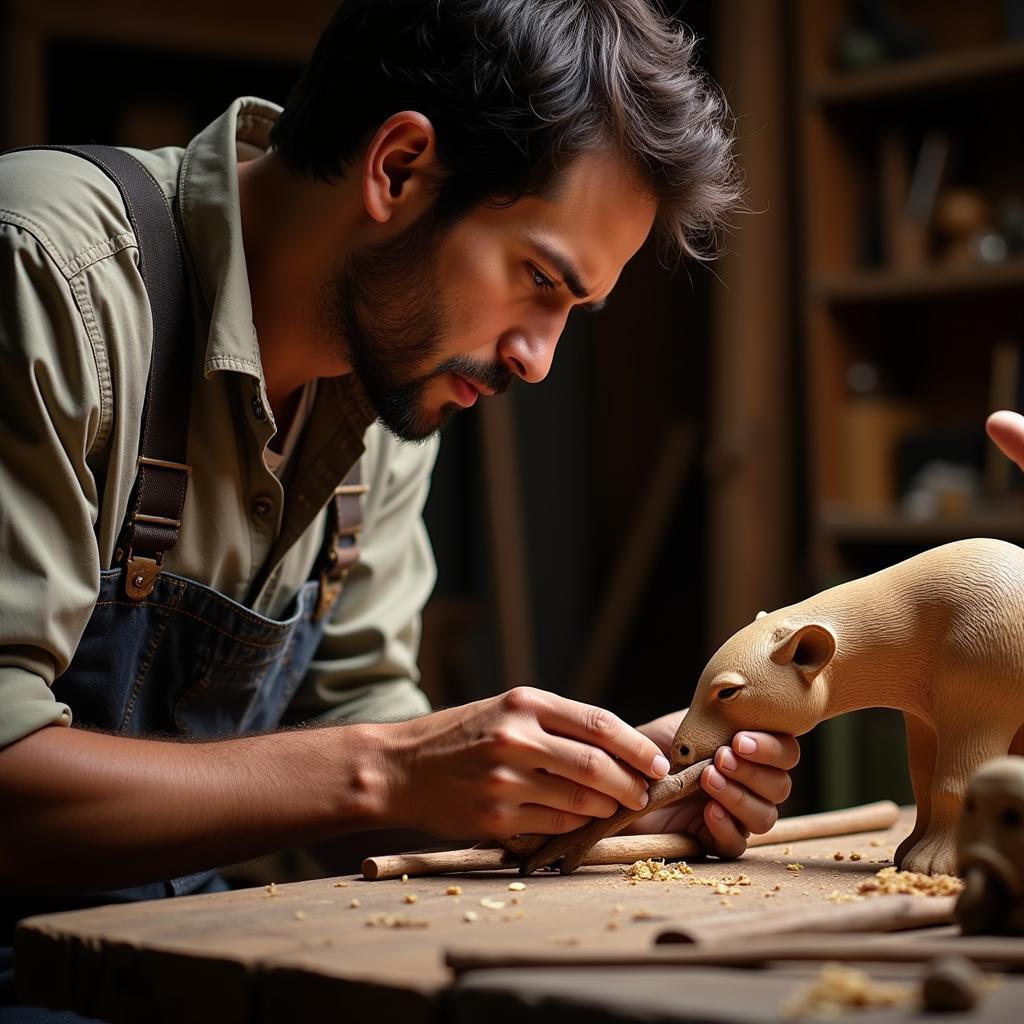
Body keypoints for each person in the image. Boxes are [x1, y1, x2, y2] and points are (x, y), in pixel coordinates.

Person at [0, 2, 798, 1009]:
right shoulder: (41, 274)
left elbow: (360, 749)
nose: (537, 359)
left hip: (165, 952)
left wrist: (606, 797)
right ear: (399, 167)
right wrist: (389, 766)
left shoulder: (384, 392)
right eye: (536, 281)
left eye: (571, 313)